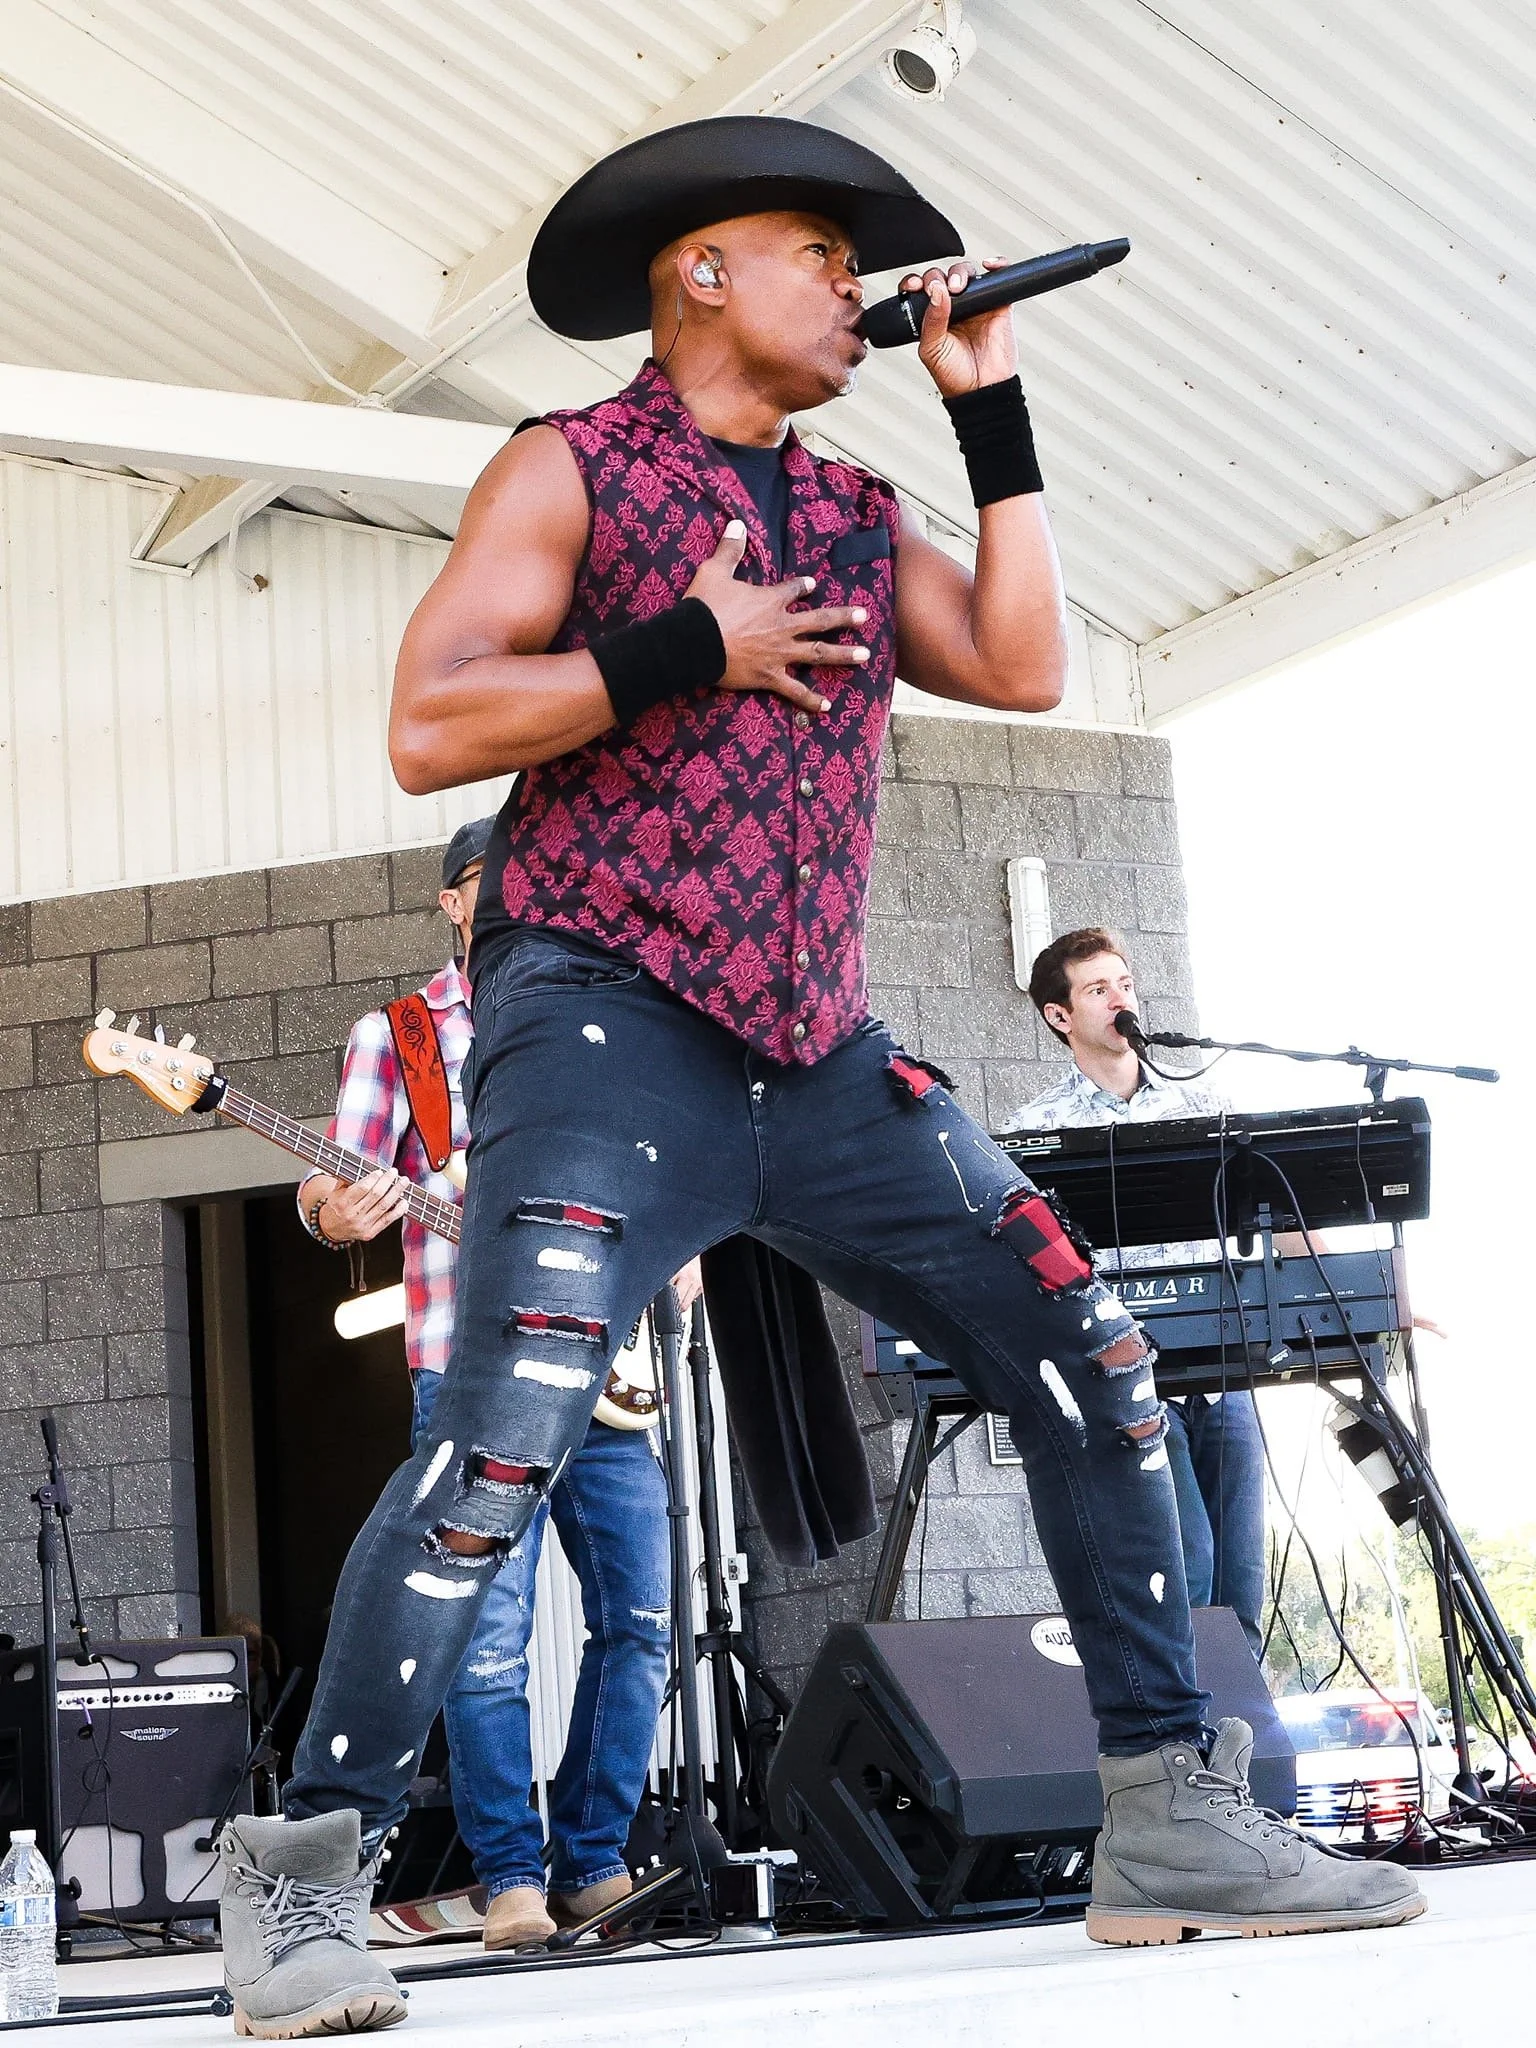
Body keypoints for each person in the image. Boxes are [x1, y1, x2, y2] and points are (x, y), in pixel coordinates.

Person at [216, 116, 1420, 2038]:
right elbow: (430, 723)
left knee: (1092, 1357)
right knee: (498, 1443)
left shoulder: (857, 506)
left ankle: (1172, 1817)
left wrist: (989, 416)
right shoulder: (570, 468)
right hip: (601, 1025)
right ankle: (301, 1885)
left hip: (822, 1050)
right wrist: (692, 637)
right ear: (698, 271)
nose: (849, 284)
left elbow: (1021, 667)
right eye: (809, 250)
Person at [293, 818, 688, 1952]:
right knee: (487, 1631)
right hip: (468, 1369)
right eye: (494, 877)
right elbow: (328, 1191)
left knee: (644, 1620)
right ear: (456, 902)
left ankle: (595, 1855)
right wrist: (338, 1209)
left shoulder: (595, 1018)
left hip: (606, 1365)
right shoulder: (401, 1034)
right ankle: (512, 1871)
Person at [1006, 927, 1268, 1655]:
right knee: (1188, 1571)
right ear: (1060, 1015)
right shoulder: (1034, 1130)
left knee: (1243, 1585)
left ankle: (1242, 1751)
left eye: (1123, 983)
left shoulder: (1202, 1103)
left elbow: (1278, 1213)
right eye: (1098, 988)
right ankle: (1184, 1745)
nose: (1120, 999)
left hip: (1223, 1374)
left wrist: (1389, 1294)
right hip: (1128, 1379)